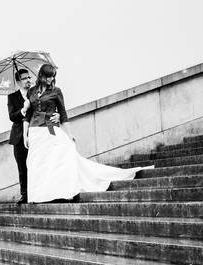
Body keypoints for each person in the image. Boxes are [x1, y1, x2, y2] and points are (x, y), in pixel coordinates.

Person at [26, 63, 137, 202]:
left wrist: (69, 133)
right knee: (38, 163)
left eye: (52, 77)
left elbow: (63, 113)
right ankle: (40, 195)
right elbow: (28, 115)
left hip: (50, 128)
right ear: (41, 75)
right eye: (48, 76)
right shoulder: (31, 92)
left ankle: (59, 192)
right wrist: (26, 134)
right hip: (35, 131)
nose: (50, 80)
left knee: (62, 155)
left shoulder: (56, 91)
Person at [7, 68, 34, 203]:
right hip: (18, 137)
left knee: (36, 164)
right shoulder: (12, 97)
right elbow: (12, 116)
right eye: (24, 78)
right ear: (18, 81)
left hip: (35, 134)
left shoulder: (35, 93)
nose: (28, 80)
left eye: (29, 77)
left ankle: (38, 191)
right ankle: (25, 194)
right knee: (22, 167)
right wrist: (23, 109)